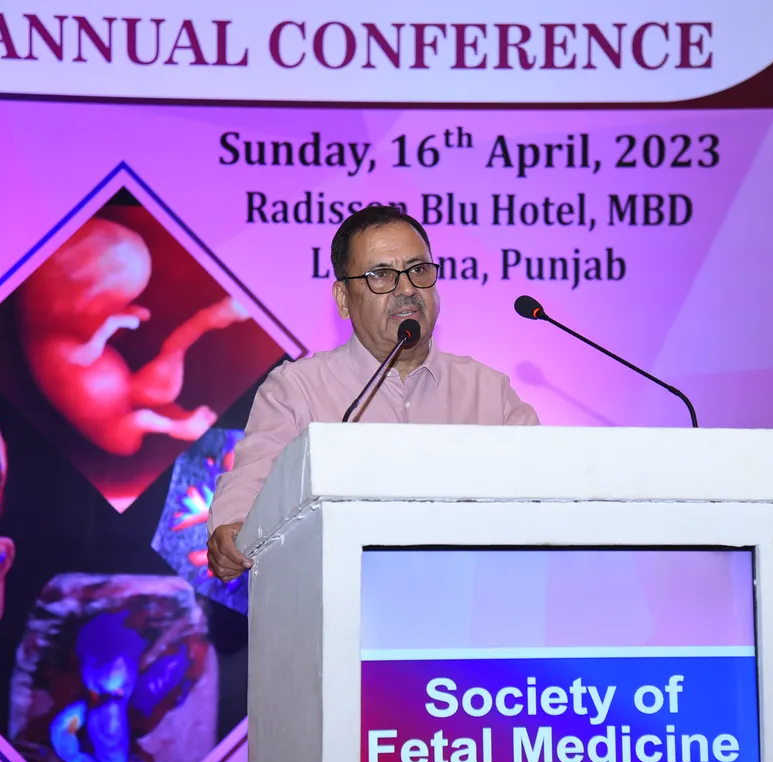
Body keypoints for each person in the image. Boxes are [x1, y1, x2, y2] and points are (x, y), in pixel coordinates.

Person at [205, 205, 539, 580]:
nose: (407, 289)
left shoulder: (488, 391)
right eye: (381, 275)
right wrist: (234, 530)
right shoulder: (297, 389)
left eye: (419, 270)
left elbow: (547, 488)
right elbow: (250, 486)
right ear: (343, 299)